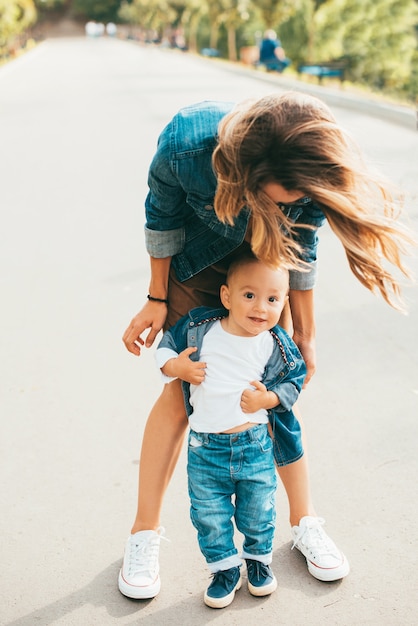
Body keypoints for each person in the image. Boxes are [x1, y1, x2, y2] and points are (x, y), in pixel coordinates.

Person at [119, 92, 414, 600]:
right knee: (185, 388)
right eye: (286, 195)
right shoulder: (187, 145)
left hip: (271, 267)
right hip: (199, 263)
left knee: (271, 396)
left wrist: (306, 333)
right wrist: (156, 297)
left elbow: (302, 245)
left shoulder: (307, 160)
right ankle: (143, 535)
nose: (294, 202)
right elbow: (161, 214)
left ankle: (305, 523)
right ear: (248, 172)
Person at [154, 254, 306, 608]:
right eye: (249, 295)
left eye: (272, 299)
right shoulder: (201, 329)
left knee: (258, 510)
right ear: (226, 296)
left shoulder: (276, 344)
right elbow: (165, 348)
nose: (260, 307)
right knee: (209, 514)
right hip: (205, 449)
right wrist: (177, 366)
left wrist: (267, 398)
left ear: (284, 302)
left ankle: (257, 561)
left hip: (253, 446)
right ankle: (223, 568)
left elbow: (294, 381)